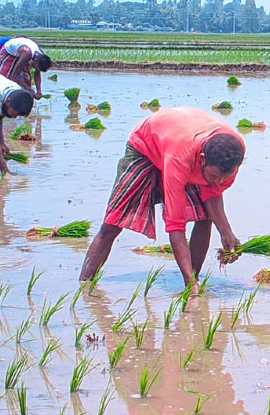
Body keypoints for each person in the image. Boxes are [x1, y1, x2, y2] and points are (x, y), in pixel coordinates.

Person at [77, 106, 245, 289]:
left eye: (224, 178)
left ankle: (193, 280)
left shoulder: (234, 153)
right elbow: (175, 224)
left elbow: (212, 192)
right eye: (213, 176)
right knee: (112, 224)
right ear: (202, 159)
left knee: (205, 217)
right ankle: (84, 286)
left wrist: (226, 231)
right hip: (146, 146)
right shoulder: (180, 157)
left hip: (179, 141)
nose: (218, 181)